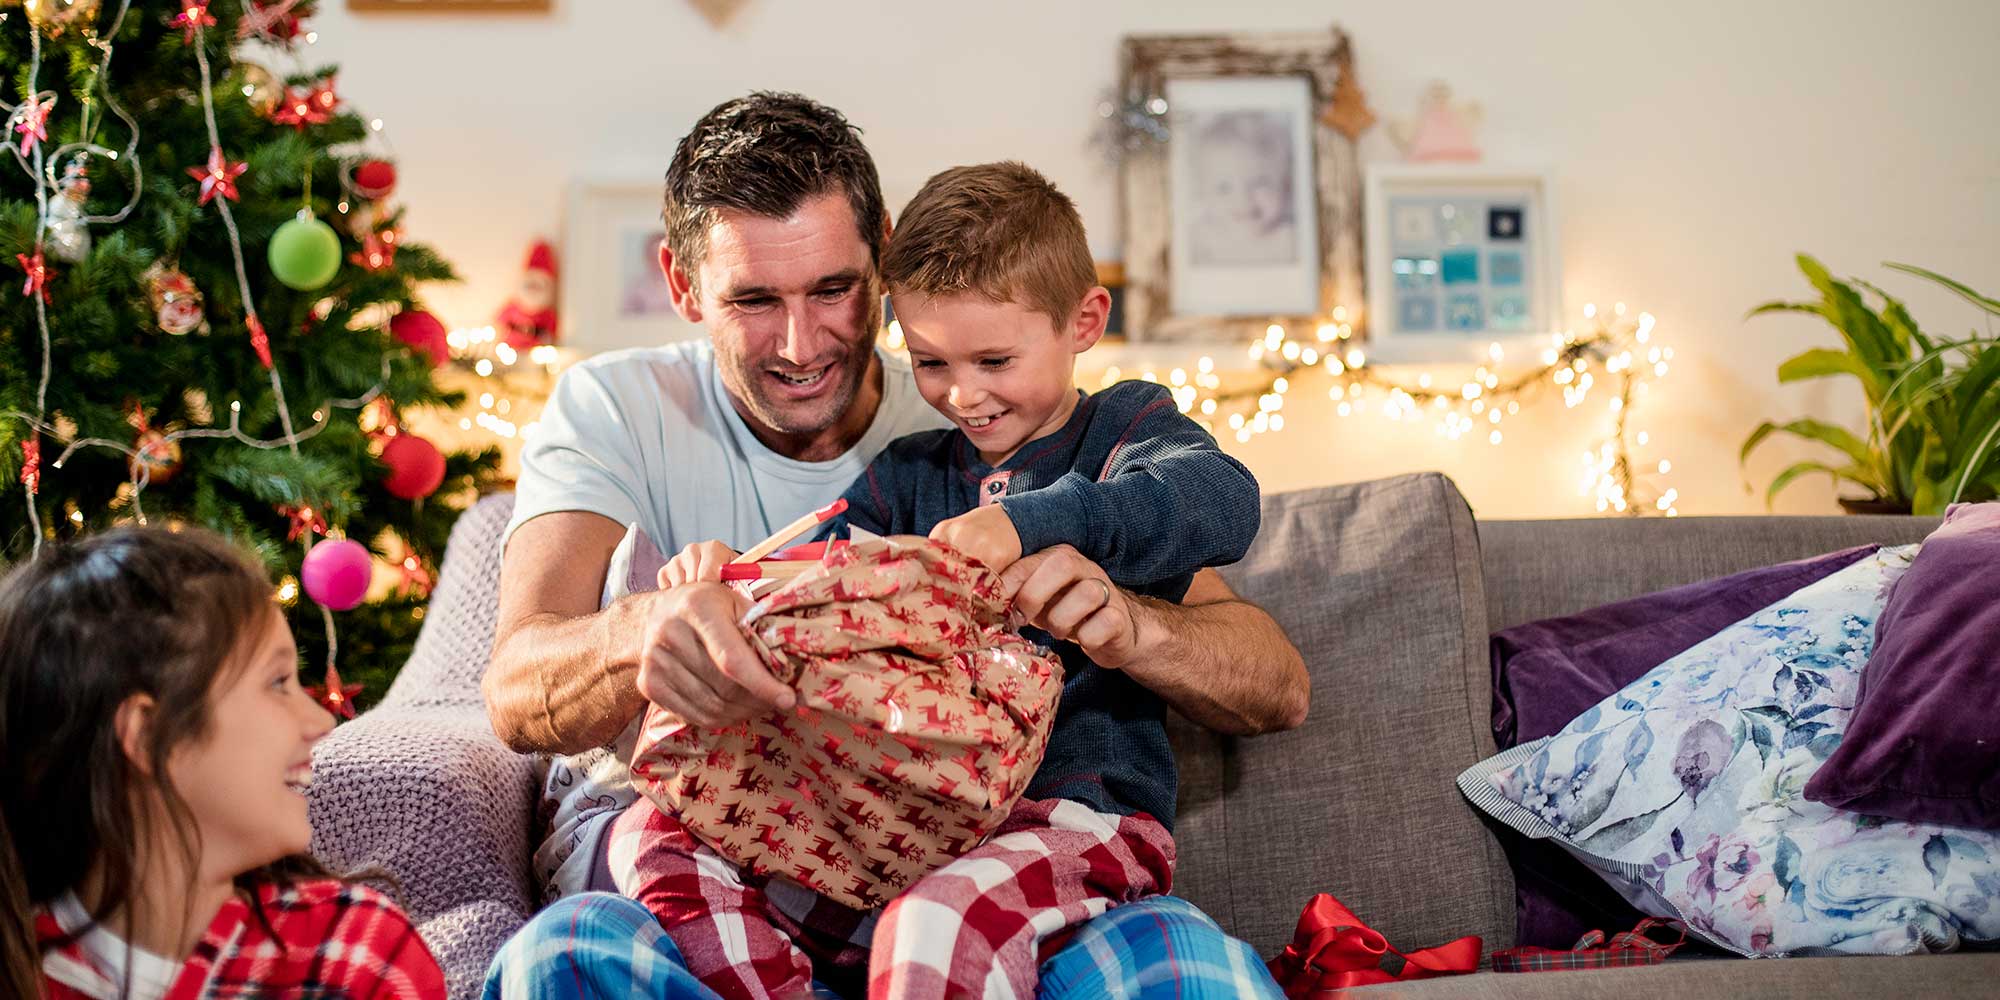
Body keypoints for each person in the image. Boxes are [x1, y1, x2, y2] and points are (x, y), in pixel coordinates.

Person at [483, 91, 1309, 998]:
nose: (800, 344)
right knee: (564, 958)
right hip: (808, 843)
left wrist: (1118, 613)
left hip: (1005, 847)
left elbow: (1262, 650)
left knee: (1178, 972)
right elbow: (526, 682)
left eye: (834, 289)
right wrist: (682, 606)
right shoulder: (897, 454)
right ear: (683, 287)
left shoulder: (1031, 419)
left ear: (879, 259)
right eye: (754, 299)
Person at [0, 527, 445, 1000]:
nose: (321, 720)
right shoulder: (26, 972)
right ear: (149, 736)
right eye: (277, 683)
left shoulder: (358, 955)